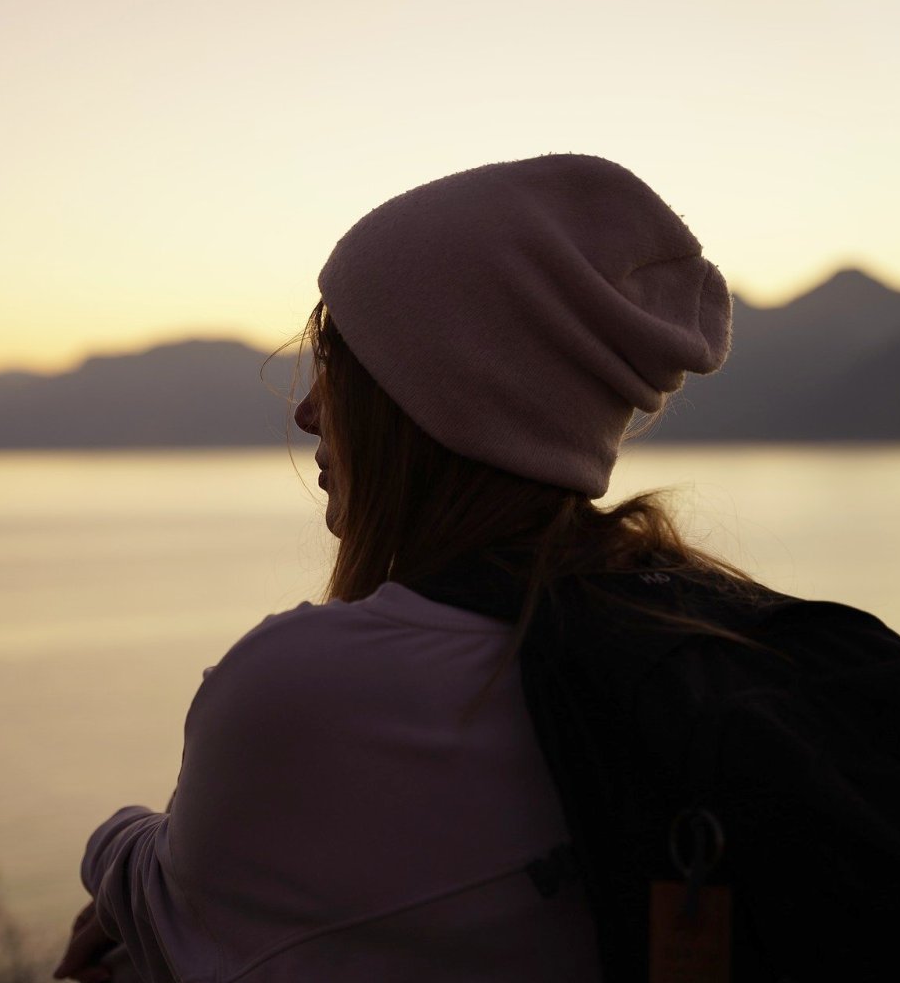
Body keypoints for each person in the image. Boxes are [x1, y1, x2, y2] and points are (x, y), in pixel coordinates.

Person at [53, 153, 741, 982]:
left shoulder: (312, 685)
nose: (307, 410)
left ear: (424, 400)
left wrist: (110, 850)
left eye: (335, 363)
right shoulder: (700, 627)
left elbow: (170, 901)